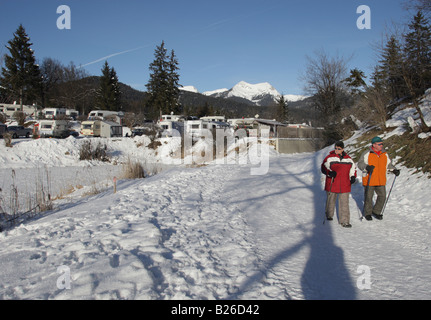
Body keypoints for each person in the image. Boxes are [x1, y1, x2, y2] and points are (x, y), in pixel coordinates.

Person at [358, 136, 400, 220]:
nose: (381, 145)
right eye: (379, 144)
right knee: (369, 197)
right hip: (369, 179)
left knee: (382, 196)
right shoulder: (367, 153)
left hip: (381, 179)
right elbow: (360, 164)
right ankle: (368, 213)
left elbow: (388, 164)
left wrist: (394, 170)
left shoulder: (384, 154)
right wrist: (367, 167)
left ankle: (376, 211)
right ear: (374, 145)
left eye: (382, 144)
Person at [321, 141, 357, 228]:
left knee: (344, 203)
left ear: (343, 149)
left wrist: (352, 177)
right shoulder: (329, 158)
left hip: (345, 183)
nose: (337, 150)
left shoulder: (348, 159)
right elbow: (323, 168)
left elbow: (353, 169)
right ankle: (329, 214)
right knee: (331, 200)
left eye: (339, 149)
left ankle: (345, 221)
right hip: (333, 182)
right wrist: (329, 172)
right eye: (336, 148)